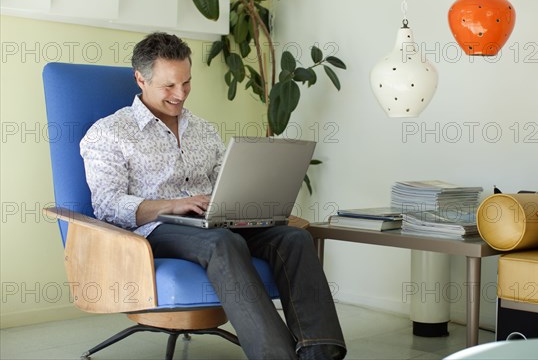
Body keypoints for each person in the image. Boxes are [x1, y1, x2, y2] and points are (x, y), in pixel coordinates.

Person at [80, 32, 346, 360]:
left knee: (293, 239)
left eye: (187, 82)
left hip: (213, 218)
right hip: (155, 230)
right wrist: (172, 205)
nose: (180, 94)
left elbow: (224, 180)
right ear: (140, 79)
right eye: (169, 86)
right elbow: (106, 205)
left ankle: (320, 354)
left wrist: (248, 196)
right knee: (222, 242)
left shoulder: (203, 129)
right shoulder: (109, 132)